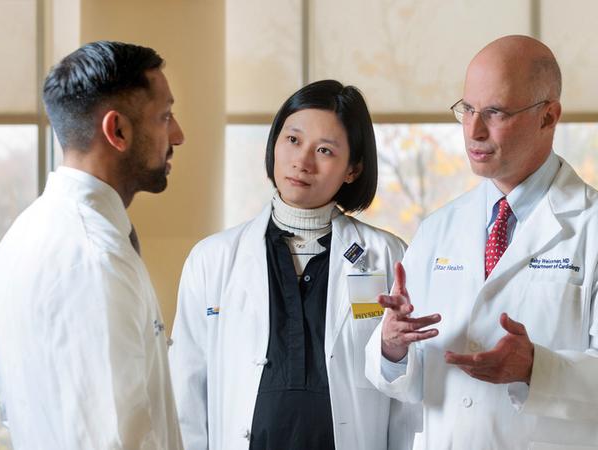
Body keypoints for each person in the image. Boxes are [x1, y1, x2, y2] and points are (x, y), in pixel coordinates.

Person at [365, 35, 598, 449]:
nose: (474, 130)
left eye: (495, 112)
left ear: (548, 117)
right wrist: (392, 345)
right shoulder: (438, 229)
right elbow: (406, 383)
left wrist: (537, 368)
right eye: (467, 109)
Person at [170, 80, 417, 450]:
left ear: (352, 169)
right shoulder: (213, 259)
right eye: (293, 140)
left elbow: (408, 404)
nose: (302, 161)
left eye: (324, 150)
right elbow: (186, 390)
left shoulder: (387, 256)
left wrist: (396, 352)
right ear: (274, 144)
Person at [0, 41, 184, 449]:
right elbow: (114, 438)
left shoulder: (22, 238)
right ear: (118, 131)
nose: (178, 135)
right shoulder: (97, 258)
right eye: (164, 117)